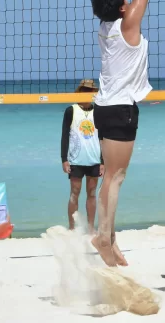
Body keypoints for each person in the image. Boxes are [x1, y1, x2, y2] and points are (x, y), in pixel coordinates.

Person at [90, 0, 154, 266]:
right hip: (120, 109)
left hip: (104, 108)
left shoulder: (106, 23)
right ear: (122, 7)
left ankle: (109, 239)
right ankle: (103, 237)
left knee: (110, 177)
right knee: (116, 177)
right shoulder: (128, 24)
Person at [60, 79, 104, 232]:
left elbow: (102, 137)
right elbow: (65, 136)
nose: (87, 93)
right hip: (76, 160)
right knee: (74, 193)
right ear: (79, 92)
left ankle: (91, 227)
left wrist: (103, 162)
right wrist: (64, 159)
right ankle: (72, 228)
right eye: (84, 90)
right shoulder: (71, 110)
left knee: (92, 193)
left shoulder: (98, 111)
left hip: (94, 160)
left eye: (90, 91)